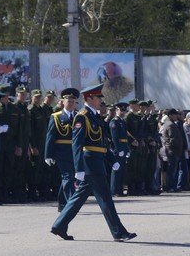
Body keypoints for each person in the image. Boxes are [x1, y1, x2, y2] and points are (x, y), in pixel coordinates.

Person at [50, 84, 136, 242]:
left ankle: (59, 225)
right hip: (89, 163)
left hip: (97, 162)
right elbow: (77, 144)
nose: (100, 101)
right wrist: (79, 168)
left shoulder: (94, 116)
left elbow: (101, 142)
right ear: (89, 98)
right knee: (105, 199)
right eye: (98, 98)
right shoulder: (82, 116)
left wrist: (112, 160)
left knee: (78, 198)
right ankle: (119, 232)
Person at [44, 88, 78, 210]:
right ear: (63, 102)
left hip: (75, 152)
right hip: (61, 152)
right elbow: (50, 135)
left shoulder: (79, 116)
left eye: (73, 101)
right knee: (68, 176)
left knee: (69, 177)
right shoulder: (56, 116)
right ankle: (71, 203)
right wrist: (48, 154)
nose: (70, 103)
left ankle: (62, 203)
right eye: (68, 100)